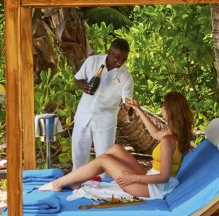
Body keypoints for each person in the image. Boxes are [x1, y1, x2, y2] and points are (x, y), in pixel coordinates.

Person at [38, 92, 193, 199]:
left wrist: (133, 178)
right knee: (116, 149)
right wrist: (138, 109)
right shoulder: (174, 135)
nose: (161, 107)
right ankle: (77, 180)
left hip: (152, 189)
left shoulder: (168, 141)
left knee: (104, 160)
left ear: (168, 110)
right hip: (151, 179)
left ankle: (58, 183)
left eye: (163, 104)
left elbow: (163, 177)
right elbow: (154, 133)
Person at [70, 39, 133, 170]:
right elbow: (78, 78)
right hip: (84, 115)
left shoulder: (126, 77)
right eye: (117, 57)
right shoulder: (92, 61)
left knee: (105, 159)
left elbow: (127, 100)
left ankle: (103, 187)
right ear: (108, 52)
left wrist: (129, 107)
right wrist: (84, 86)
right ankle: (77, 186)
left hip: (106, 120)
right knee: (78, 156)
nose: (120, 61)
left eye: (124, 58)